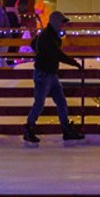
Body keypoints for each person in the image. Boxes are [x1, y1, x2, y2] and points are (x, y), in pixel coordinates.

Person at [22, 12, 83, 144]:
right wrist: (74, 63)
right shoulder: (48, 36)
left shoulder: (48, 34)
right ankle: (28, 128)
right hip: (44, 74)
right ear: (56, 23)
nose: (63, 26)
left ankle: (66, 129)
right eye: (62, 23)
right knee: (39, 103)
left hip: (50, 73)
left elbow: (34, 44)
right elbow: (57, 54)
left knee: (61, 101)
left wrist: (40, 54)